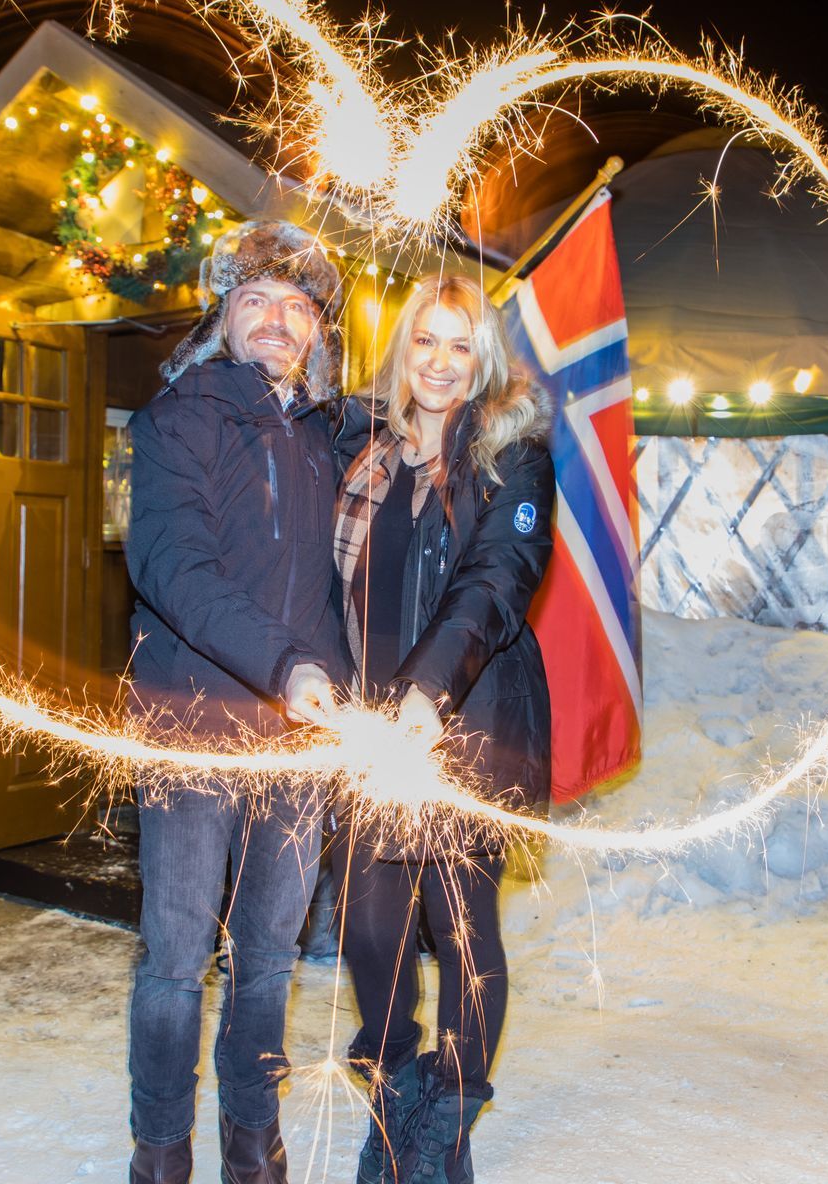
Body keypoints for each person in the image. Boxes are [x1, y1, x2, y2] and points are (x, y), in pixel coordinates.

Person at [124, 218, 351, 1184]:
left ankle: (251, 1141)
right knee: (176, 963)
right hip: (193, 731)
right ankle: (161, 1147)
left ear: (319, 333)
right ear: (223, 315)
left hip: (303, 751)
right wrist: (290, 663)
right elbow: (172, 565)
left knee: (267, 960)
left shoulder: (336, 436)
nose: (276, 319)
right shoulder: (180, 419)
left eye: (298, 305)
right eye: (256, 299)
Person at [331, 274, 554, 1184]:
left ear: (484, 358)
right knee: (372, 930)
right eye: (424, 340)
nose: (440, 361)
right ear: (401, 350)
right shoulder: (361, 450)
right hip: (365, 730)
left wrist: (425, 698)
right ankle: (391, 1091)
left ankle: (447, 1118)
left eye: (460, 344)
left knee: (460, 926)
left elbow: (496, 581)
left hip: (469, 724)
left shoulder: (512, 457)